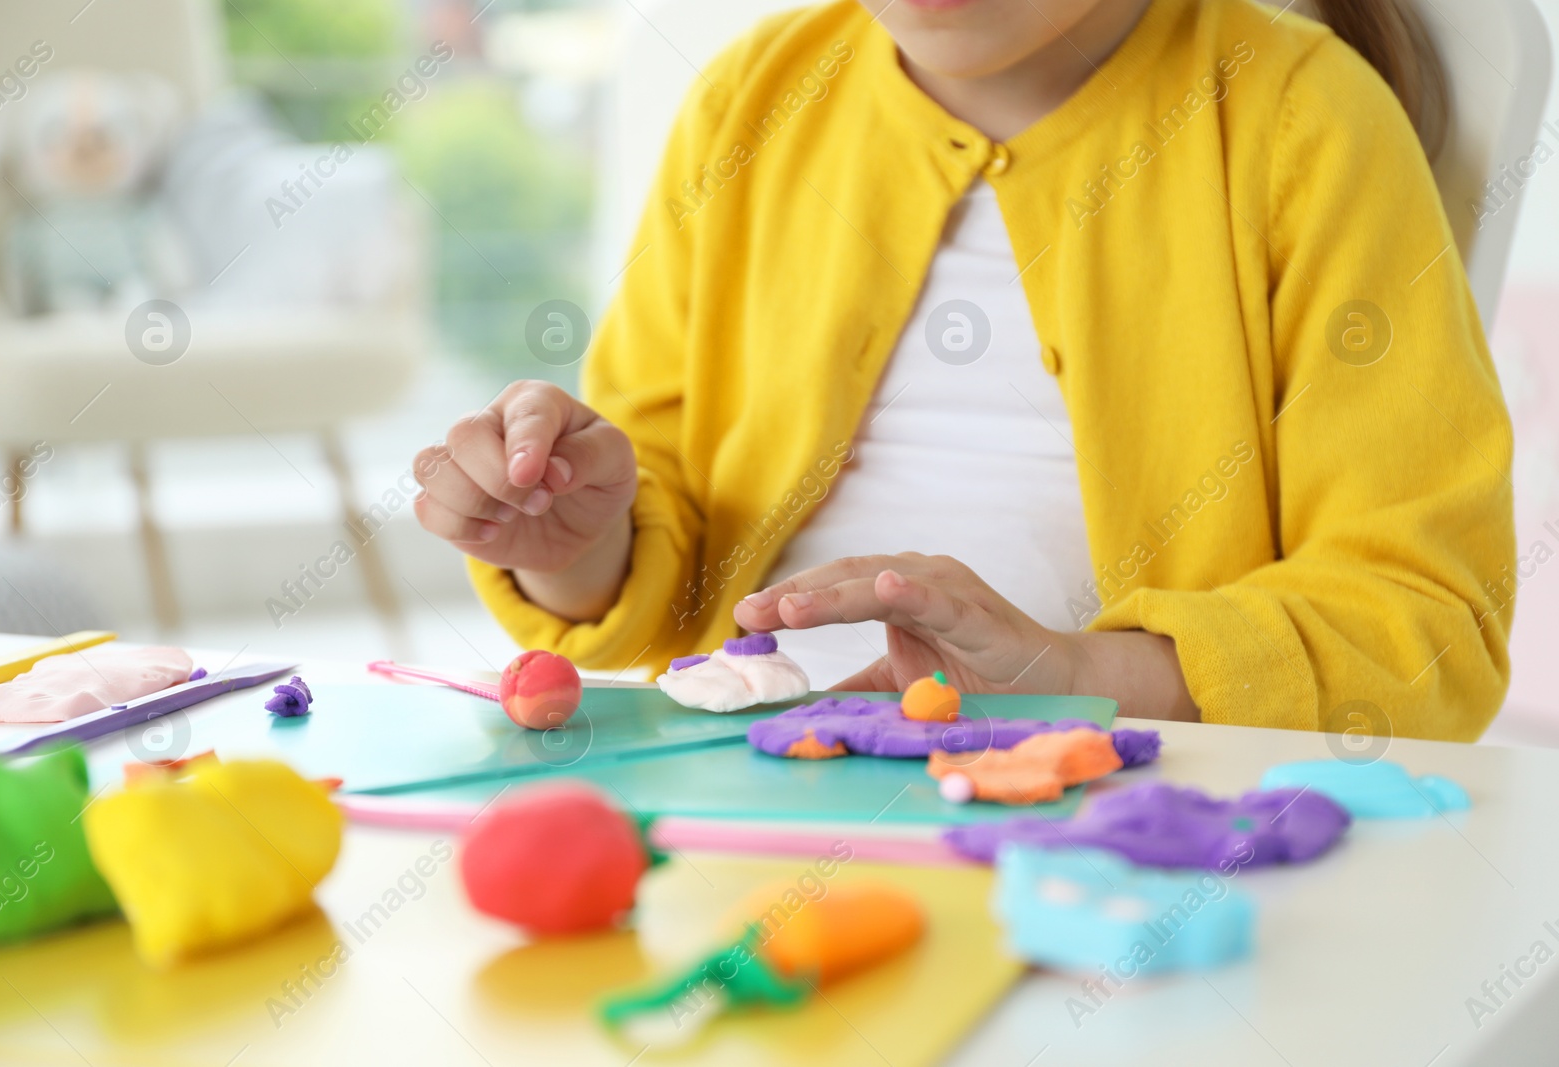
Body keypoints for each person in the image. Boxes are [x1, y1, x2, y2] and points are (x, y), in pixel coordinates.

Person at [412, 0, 1514, 739]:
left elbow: (1421, 625)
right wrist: (575, 540)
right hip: (751, 804)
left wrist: (1074, 676)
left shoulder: (1301, 120)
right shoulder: (749, 103)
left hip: (1134, 834)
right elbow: (667, 549)